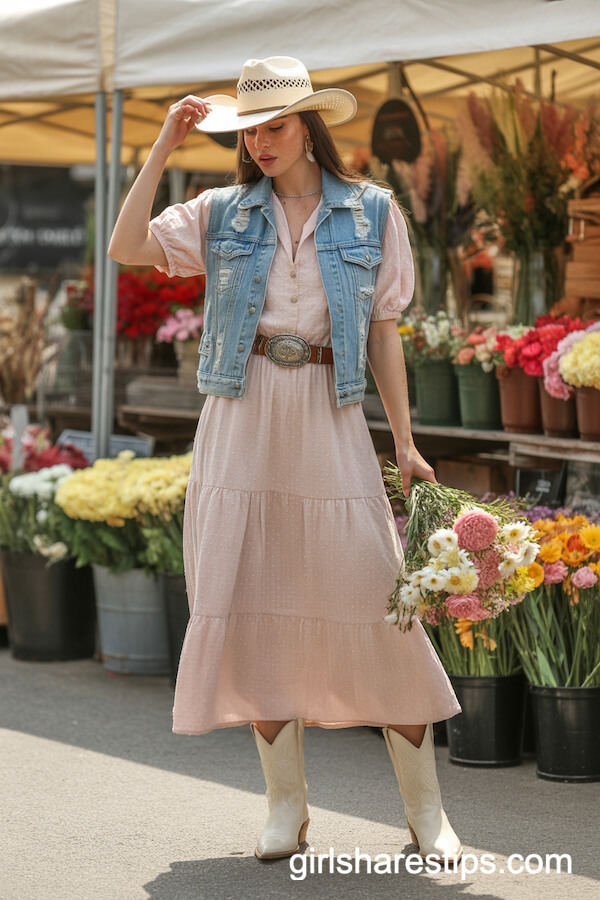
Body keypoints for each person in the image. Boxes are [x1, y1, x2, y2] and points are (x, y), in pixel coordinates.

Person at [109, 56, 462, 863]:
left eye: (275, 126)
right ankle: (285, 807)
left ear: (309, 126)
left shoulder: (373, 212)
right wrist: (164, 142)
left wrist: (404, 440)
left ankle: (427, 812)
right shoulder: (221, 212)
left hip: (330, 413)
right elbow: (127, 245)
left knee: (375, 593)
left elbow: (382, 329)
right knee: (251, 588)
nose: (262, 142)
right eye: (250, 130)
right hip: (240, 413)